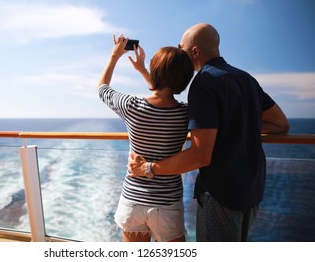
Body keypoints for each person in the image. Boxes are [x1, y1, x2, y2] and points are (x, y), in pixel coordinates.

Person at [127, 23, 290, 242]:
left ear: (194, 51)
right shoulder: (246, 79)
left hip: (222, 194)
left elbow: (200, 155)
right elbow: (281, 124)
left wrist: (148, 168)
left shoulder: (204, 83)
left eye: (180, 47)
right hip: (252, 189)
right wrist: (238, 124)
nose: (178, 52)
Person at [97, 34, 194, 242]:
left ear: (156, 71)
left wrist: (115, 56)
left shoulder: (132, 106)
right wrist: (143, 71)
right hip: (167, 205)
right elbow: (166, 92)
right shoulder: (186, 113)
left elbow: (102, 88)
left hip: (133, 200)